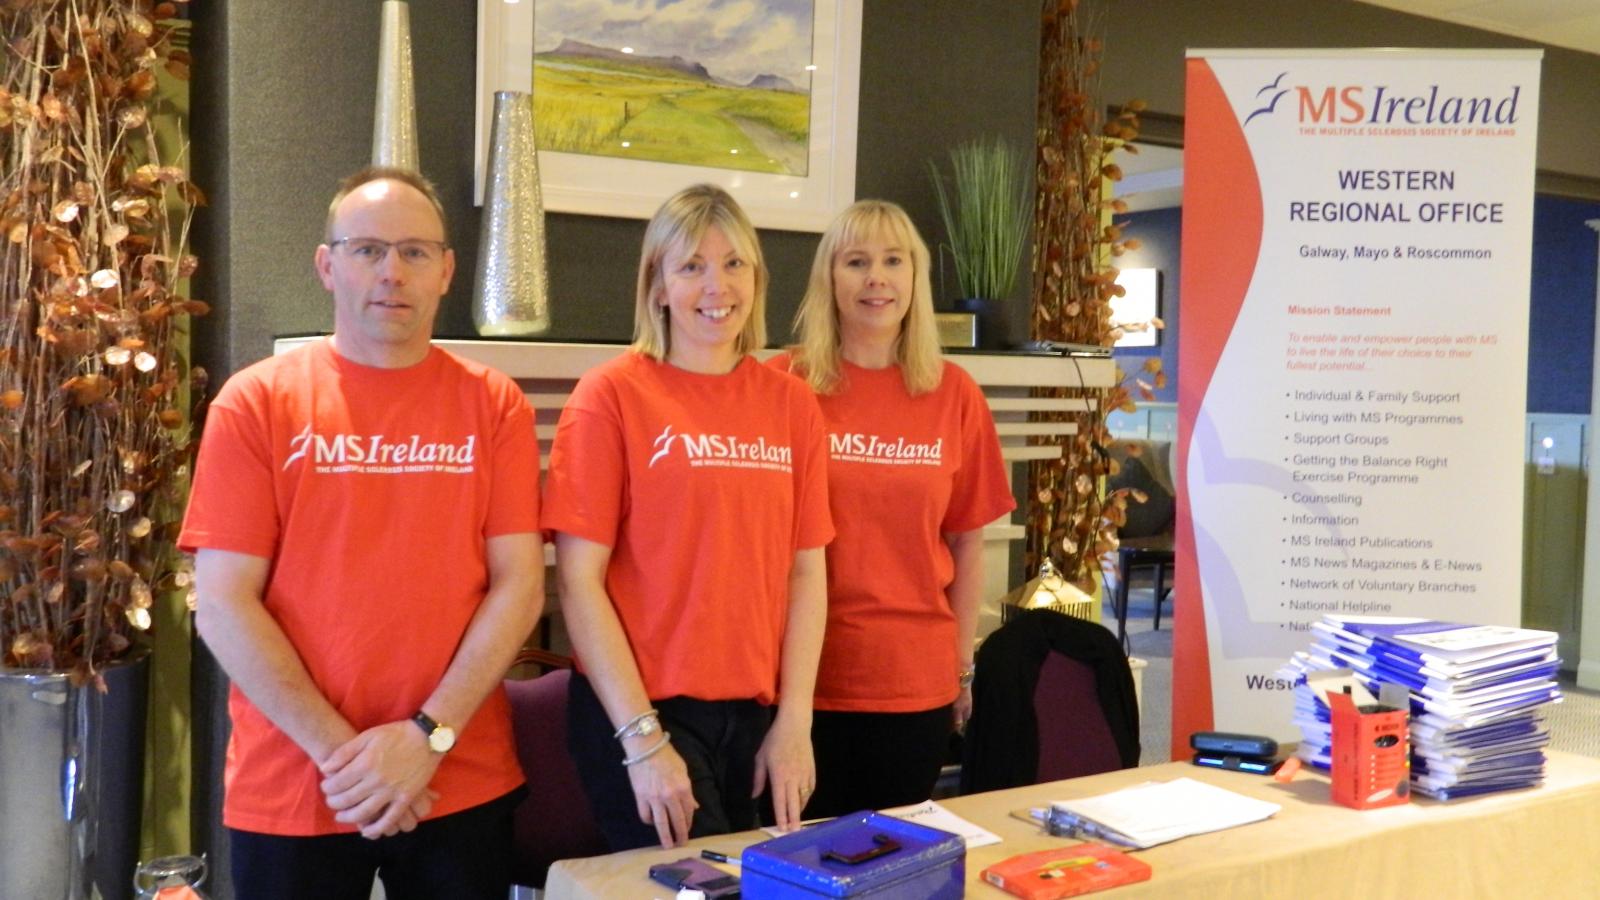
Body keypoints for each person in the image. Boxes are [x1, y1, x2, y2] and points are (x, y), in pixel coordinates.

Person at [180, 167, 545, 899]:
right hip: (296, 781)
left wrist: (426, 739)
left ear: (446, 271)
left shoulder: (494, 404)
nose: (392, 272)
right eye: (367, 249)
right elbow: (222, 604)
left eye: (415, 252)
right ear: (327, 265)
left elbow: (520, 585)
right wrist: (352, 760)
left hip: (458, 774)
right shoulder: (255, 403)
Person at [541, 184, 832, 850]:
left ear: (756, 280)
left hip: (754, 721)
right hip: (643, 715)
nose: (716, 285)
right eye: (691, 265)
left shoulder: (791, 406)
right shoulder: (610, 396)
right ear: (659, 285)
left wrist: (795, 722)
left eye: (734, 264)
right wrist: (643, 740)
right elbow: (579, 582)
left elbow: (805, 574)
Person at [772, 199, 1015, 817]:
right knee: (800, 867)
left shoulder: (954, 393)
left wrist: (962, 667)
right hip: (802, 682)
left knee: (891, 865)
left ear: (915, 278)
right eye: (856, 262)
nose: (876, 277)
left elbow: (967, 541)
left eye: (892, 261)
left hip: (914, 684)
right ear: (829, 278)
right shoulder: (783, 386)